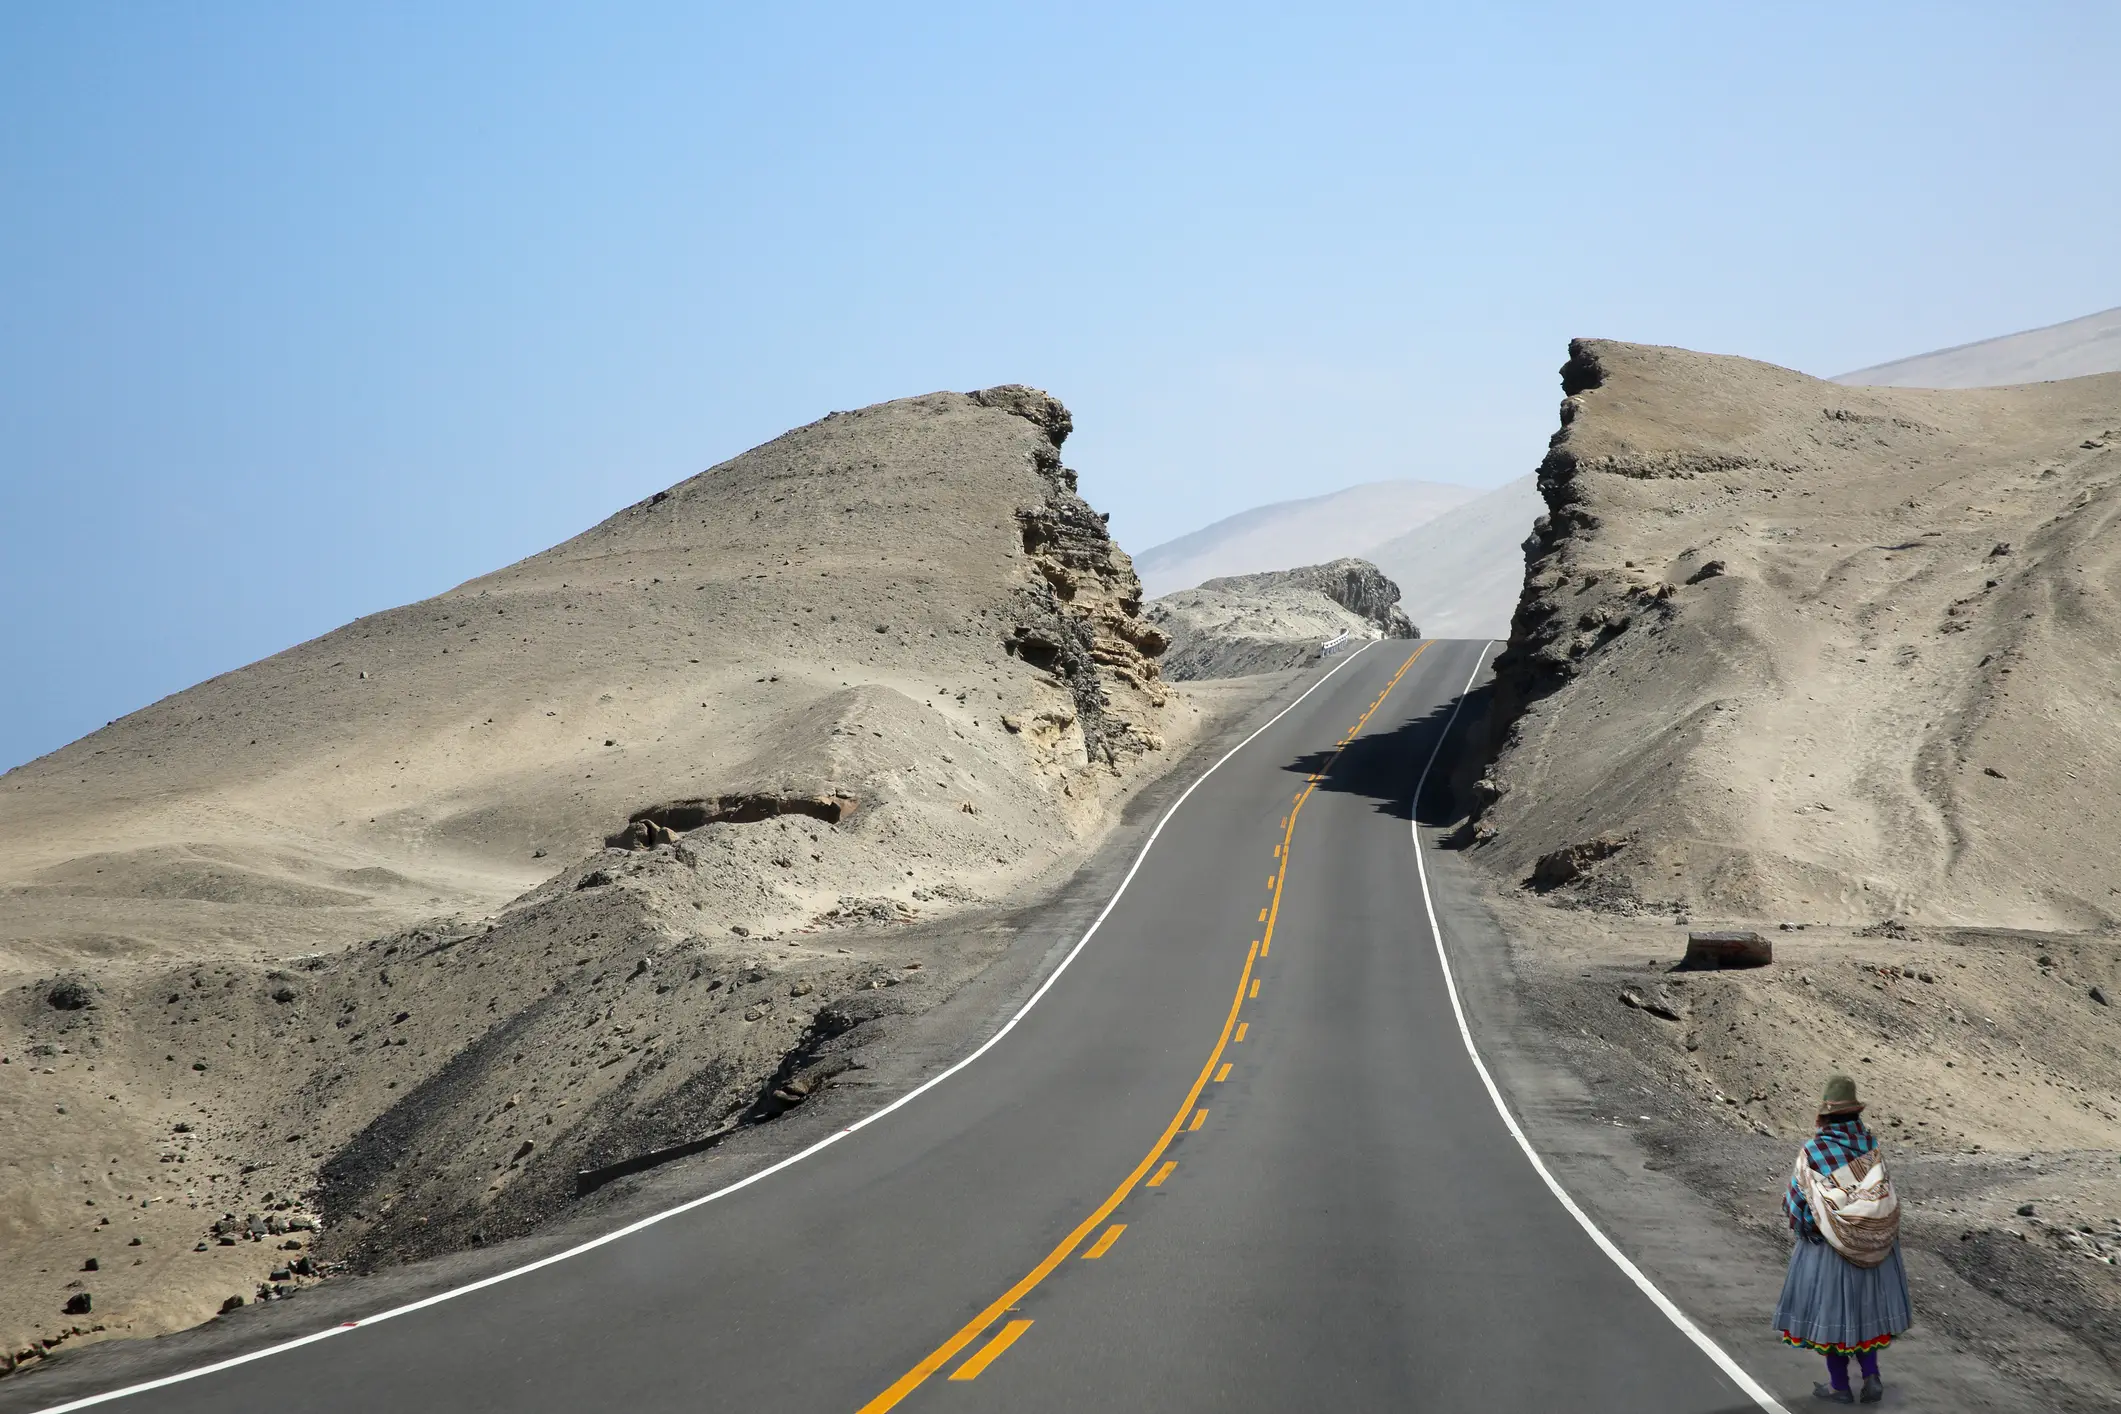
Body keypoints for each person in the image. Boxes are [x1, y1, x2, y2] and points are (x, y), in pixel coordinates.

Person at [1774, 1074, 1913, 1403]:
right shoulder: (1871, 1147)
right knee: (1866, 1314)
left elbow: (1797, 1205)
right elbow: (1882, 1195)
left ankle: (1839, 1385)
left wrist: (1811, 1226)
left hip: (1829, 1252)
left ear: (1825, 1116)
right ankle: (1871, 1376)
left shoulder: (1813, 1151)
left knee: (1832, 1317)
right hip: (1874, 1248)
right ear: (1855, 1115)